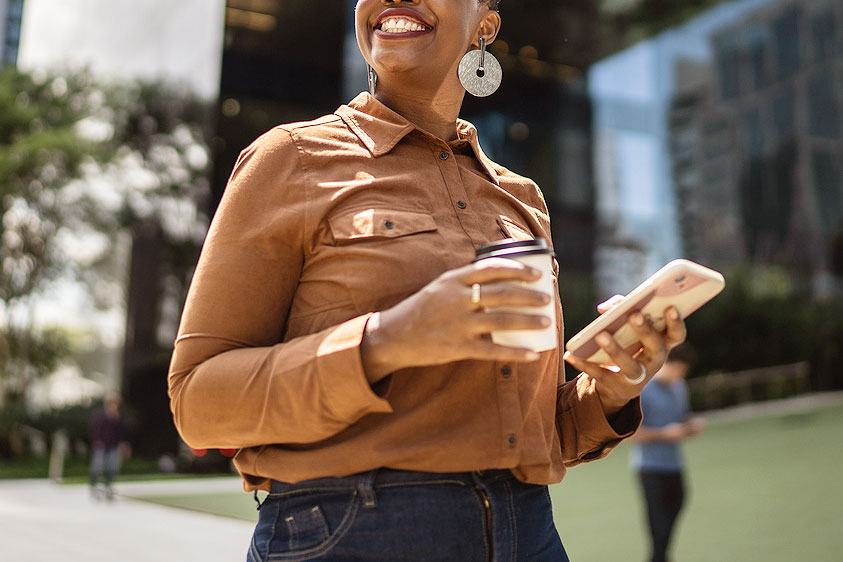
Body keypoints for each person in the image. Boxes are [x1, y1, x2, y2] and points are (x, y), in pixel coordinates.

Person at [168, 1, 687, 560]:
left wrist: (606, 392)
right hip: (350, 532)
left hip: (529, 530)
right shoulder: (289, 159)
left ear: (485, 25)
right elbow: (197, 401)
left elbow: (530, 436)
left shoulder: (523, 200)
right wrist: (387, 340)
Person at [629, 344, 705, 562]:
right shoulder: (644, 390)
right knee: (659, 529)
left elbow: (683, 417)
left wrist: (691, 425)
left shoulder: (679, 387)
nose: (680, 375)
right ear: (665, 364)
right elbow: (631, 435)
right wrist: (664, 434)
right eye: (678, 370)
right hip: (649, 468)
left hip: (674, 465)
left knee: (678, 504)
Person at [88, 393, 130, 500]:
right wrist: (96, 440)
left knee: (112, 467)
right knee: (97, 467)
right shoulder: (100, 415)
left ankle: (109, 486)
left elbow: (122, 431)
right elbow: (95, 429)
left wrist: (123, 444)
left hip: (113, 446)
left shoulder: (119, 416)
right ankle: (94, 485)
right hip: (101, 445)